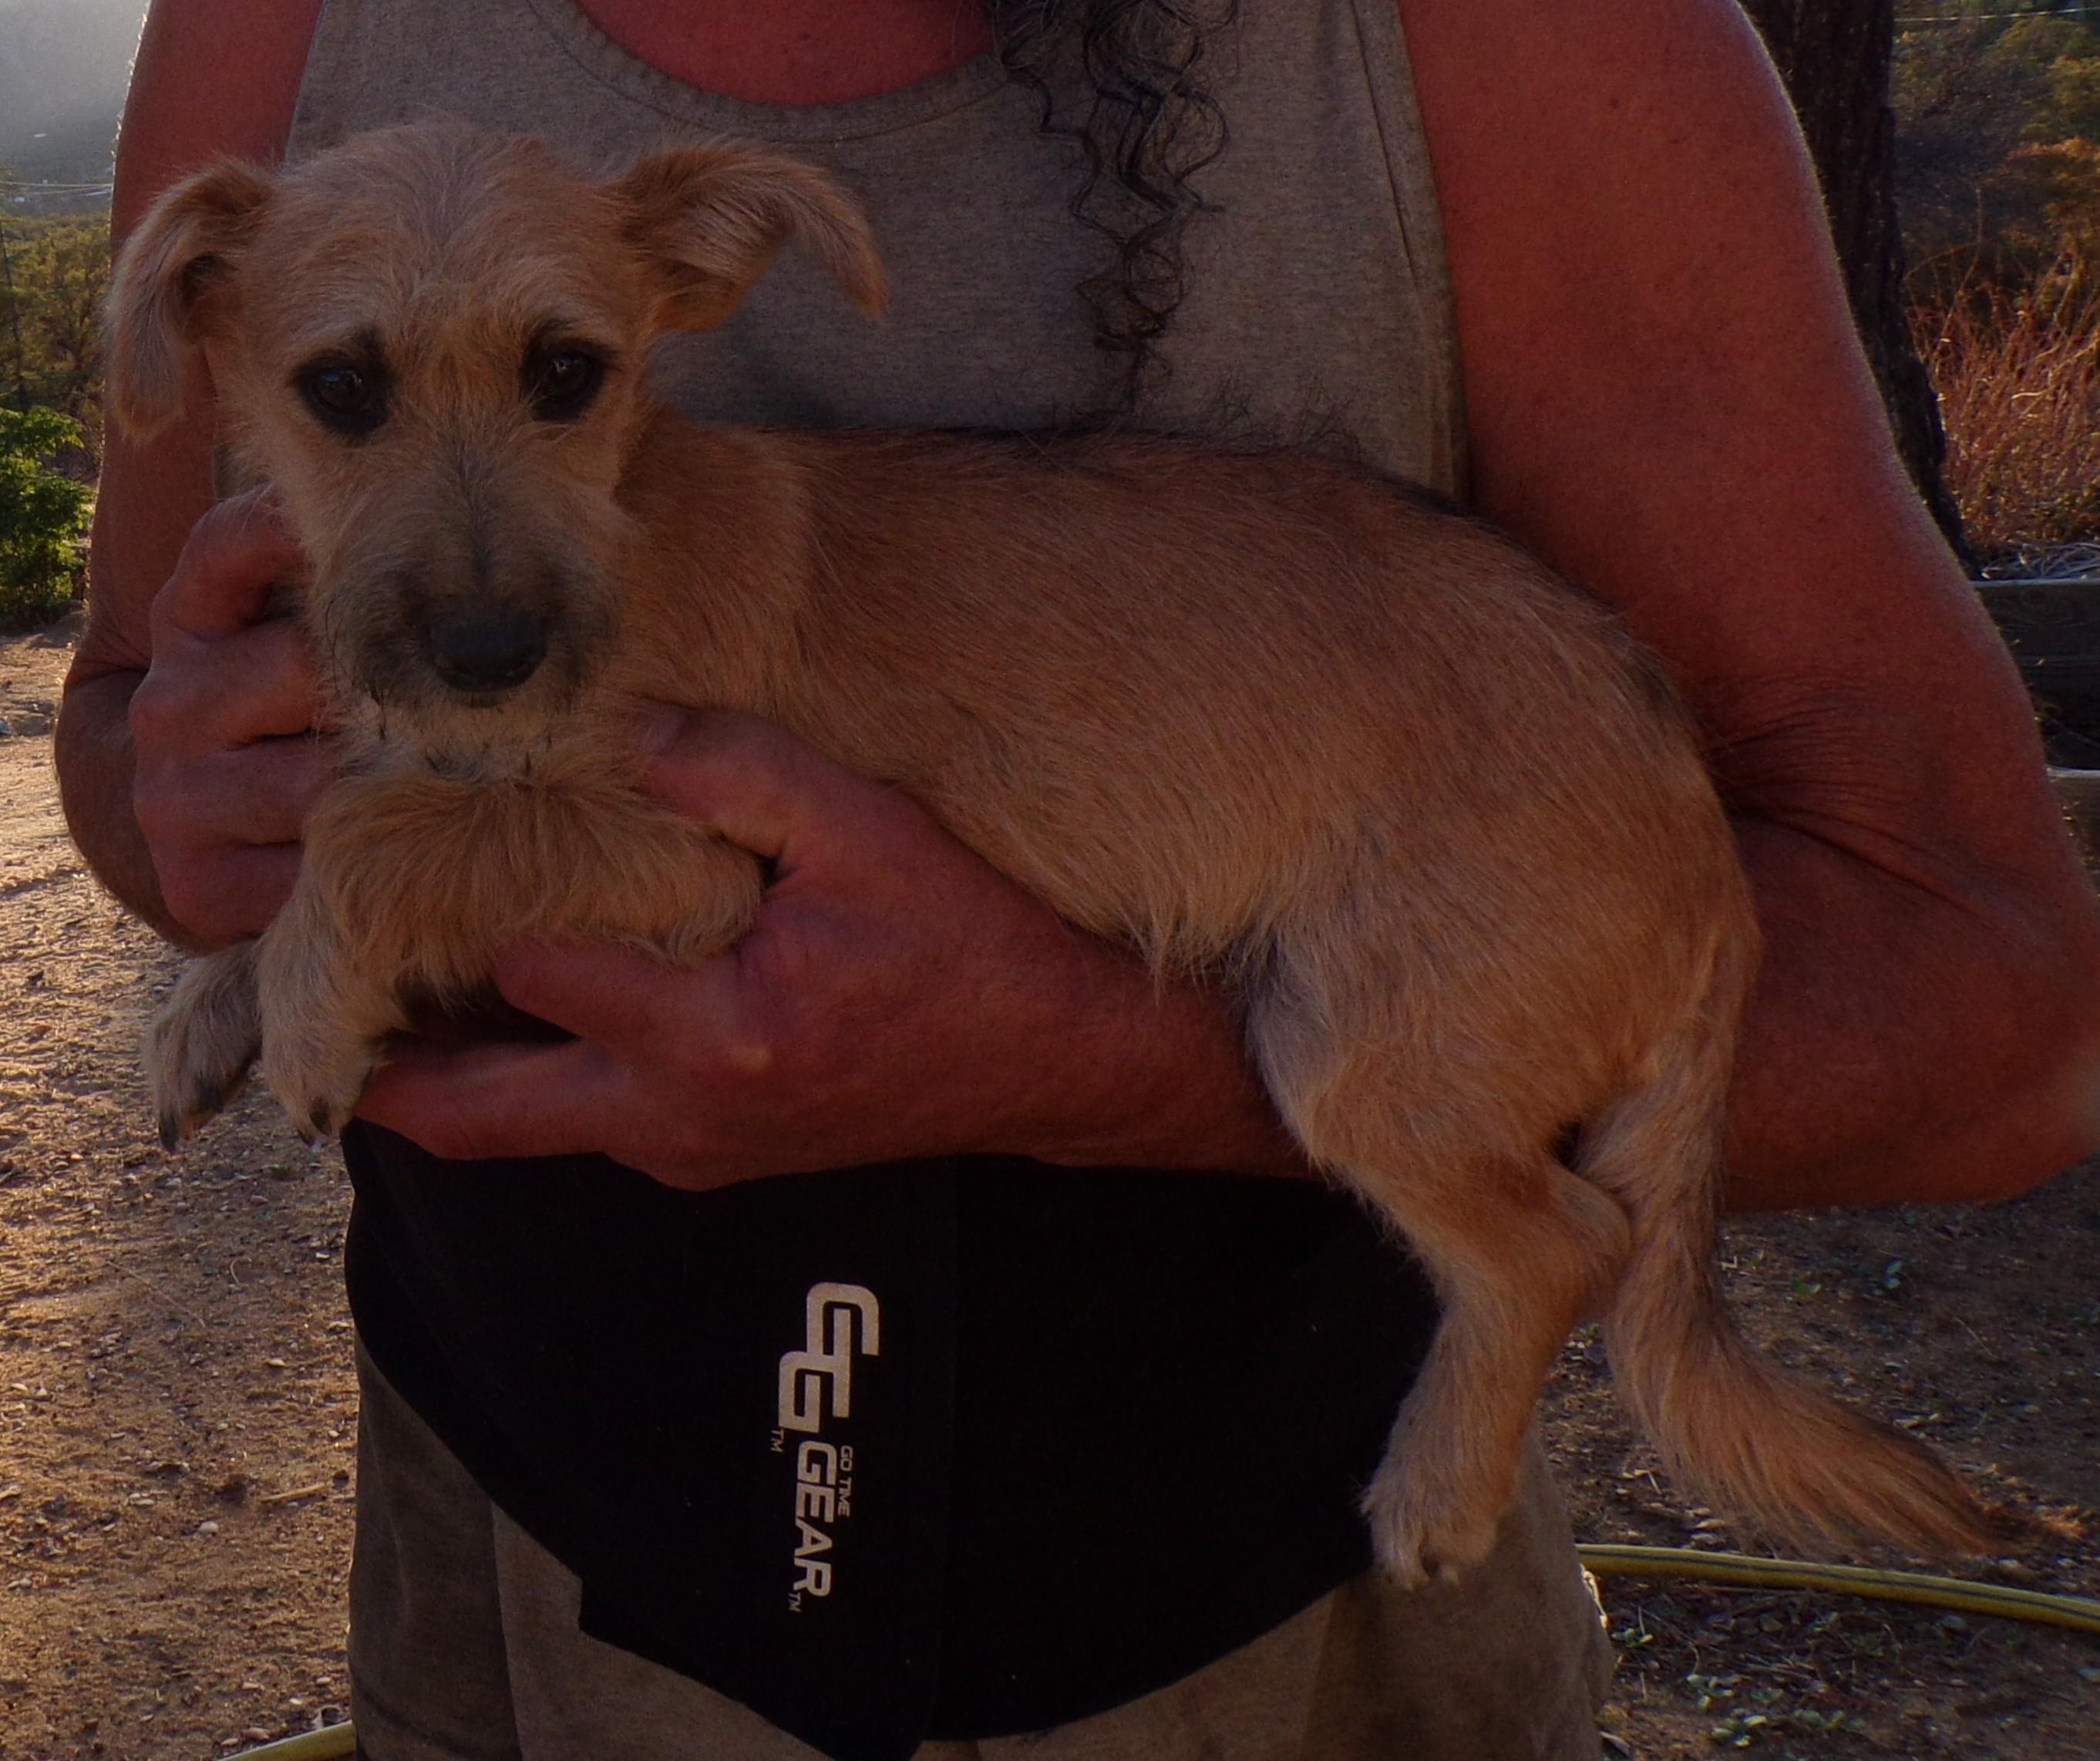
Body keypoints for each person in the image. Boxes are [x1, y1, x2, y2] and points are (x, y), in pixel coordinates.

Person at [58, 2, 2100, 1757]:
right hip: (523, 1567)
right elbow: (137, 702)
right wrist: (204, 837)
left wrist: (1100, 1060)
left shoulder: (1516, 47)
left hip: (1272, 1628)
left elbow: (1994, 1012)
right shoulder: (273, 39)